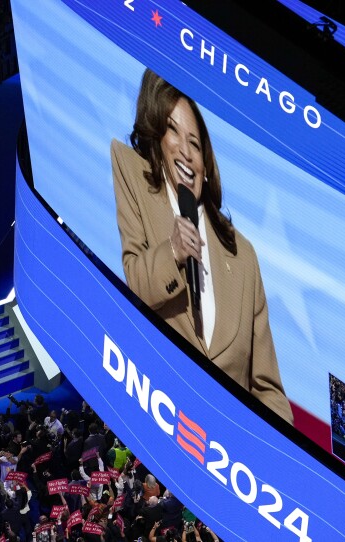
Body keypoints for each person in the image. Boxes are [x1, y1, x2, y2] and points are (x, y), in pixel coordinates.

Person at [111, 68, 293, 423]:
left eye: (195, 143)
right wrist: (173, 252)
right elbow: (134, 280)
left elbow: (268, 389)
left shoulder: (243, 255)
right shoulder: (131, 171)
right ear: (158, 139)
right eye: (172, 130)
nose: (184, 150)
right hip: (160, 415)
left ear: (207, 166)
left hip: (226, 441)